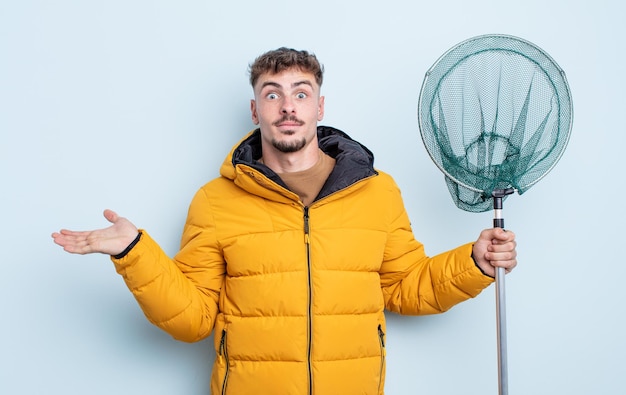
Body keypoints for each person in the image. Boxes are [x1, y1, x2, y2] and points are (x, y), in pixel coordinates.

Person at [52, 47, 517, 395]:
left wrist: (473, 263)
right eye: (272, 95)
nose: (287, 107)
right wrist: (135, 253)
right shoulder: (215, 201)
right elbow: (192, 320)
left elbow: (406, 287)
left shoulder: (377, 191)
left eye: (300, 93)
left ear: (320, 106)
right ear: (256, 110)